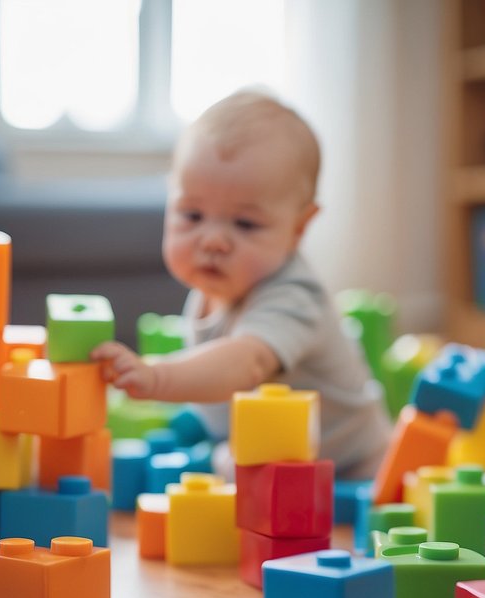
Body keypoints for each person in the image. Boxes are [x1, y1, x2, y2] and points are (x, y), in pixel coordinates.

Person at [91, 90, 391, 480]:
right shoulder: (212, 289)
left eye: (245, 224)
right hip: (276, 460)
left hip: (355, 468)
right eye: (192, 214)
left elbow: (244, 363)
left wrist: (158, 377)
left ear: (298, 228)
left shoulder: (293, 295)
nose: (212, 240)